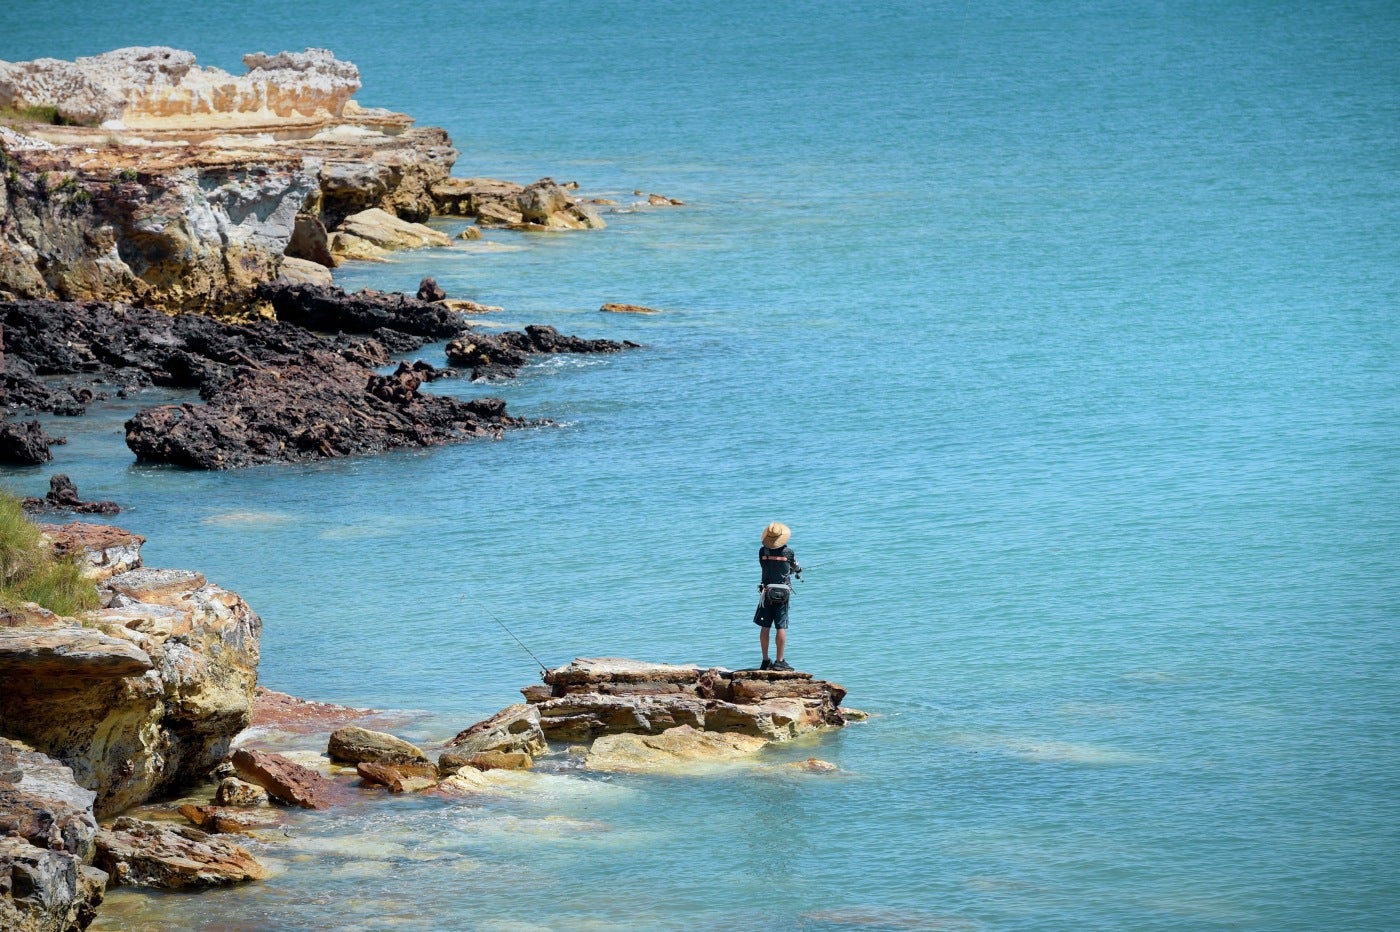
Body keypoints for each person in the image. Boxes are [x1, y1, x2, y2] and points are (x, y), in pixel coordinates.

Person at [753, 521, 802, 671]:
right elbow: (795, 568)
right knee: (781, 626)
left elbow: (765, 567)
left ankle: (765, 660)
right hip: (783, 594)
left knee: (765, 626)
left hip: (766, 592)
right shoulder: (789, 552)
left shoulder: (762, 552)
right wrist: (796, 569)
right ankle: (779, 661)